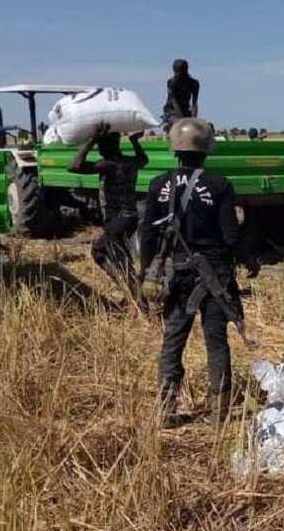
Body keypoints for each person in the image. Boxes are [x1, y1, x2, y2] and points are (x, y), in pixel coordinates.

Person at [140, 118, 258, 428]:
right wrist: (248, 259)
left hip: (174, 275)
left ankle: (166, 410)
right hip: (213, 274)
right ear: (206, 149)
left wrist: (146, 274)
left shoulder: (158, 184)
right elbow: (230, 236)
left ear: (174, 148)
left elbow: (148, 235)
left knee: (173, 340)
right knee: (216, 342)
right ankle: (219, 414)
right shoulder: (219, 185)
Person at [68, 124, 149, 296]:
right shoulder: (130, 161)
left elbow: (74, 166)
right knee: (122, 257)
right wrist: (134, 142)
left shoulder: (108, 164)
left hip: (117, 219)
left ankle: (134, 295)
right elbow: (144, 160)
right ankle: (134, 293)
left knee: (99, 251)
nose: (99, 150)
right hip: (130, 216)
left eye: (100, 145)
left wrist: (91, 141)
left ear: (107, 146)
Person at [161, 59, 200, 131]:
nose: (179, 74)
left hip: (186, 110)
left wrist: (193, 119)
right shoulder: (171, 83)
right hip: (171, 110)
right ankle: (169, 127)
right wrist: (181, 121)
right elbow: (175, 102)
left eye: (181, 71)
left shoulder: (194, 83)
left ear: (186, 70)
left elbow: (194, 103)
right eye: (177, 71)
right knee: (177, 123)